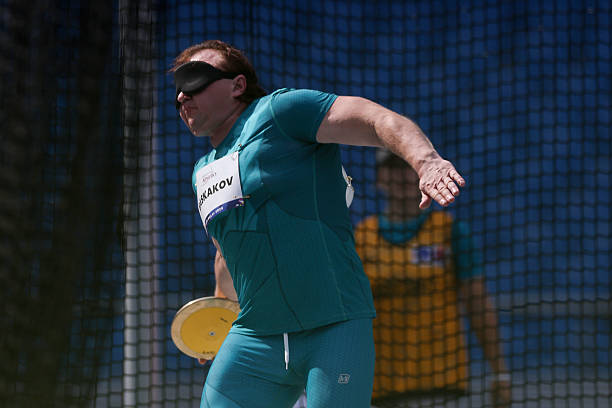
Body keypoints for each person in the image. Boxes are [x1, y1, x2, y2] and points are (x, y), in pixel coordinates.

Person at [171, 39, 465, 408]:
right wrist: (220, 308)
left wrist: (426, 162)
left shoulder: (280, 111)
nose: (182, 96)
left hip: (334, 328)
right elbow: (227, 254)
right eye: (178, 88)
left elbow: (375, 119)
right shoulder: (202, 172)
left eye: (195, 80)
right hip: (255, 337)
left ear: (237, 85)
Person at [354, 149, 511, 408]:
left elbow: (479, 305)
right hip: (381, 388)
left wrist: (500, 373)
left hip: (443, 384)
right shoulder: (361, 238)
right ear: (379, 178)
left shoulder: (449, 231)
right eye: (393, 168)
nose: (403, 176)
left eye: (408, 168)